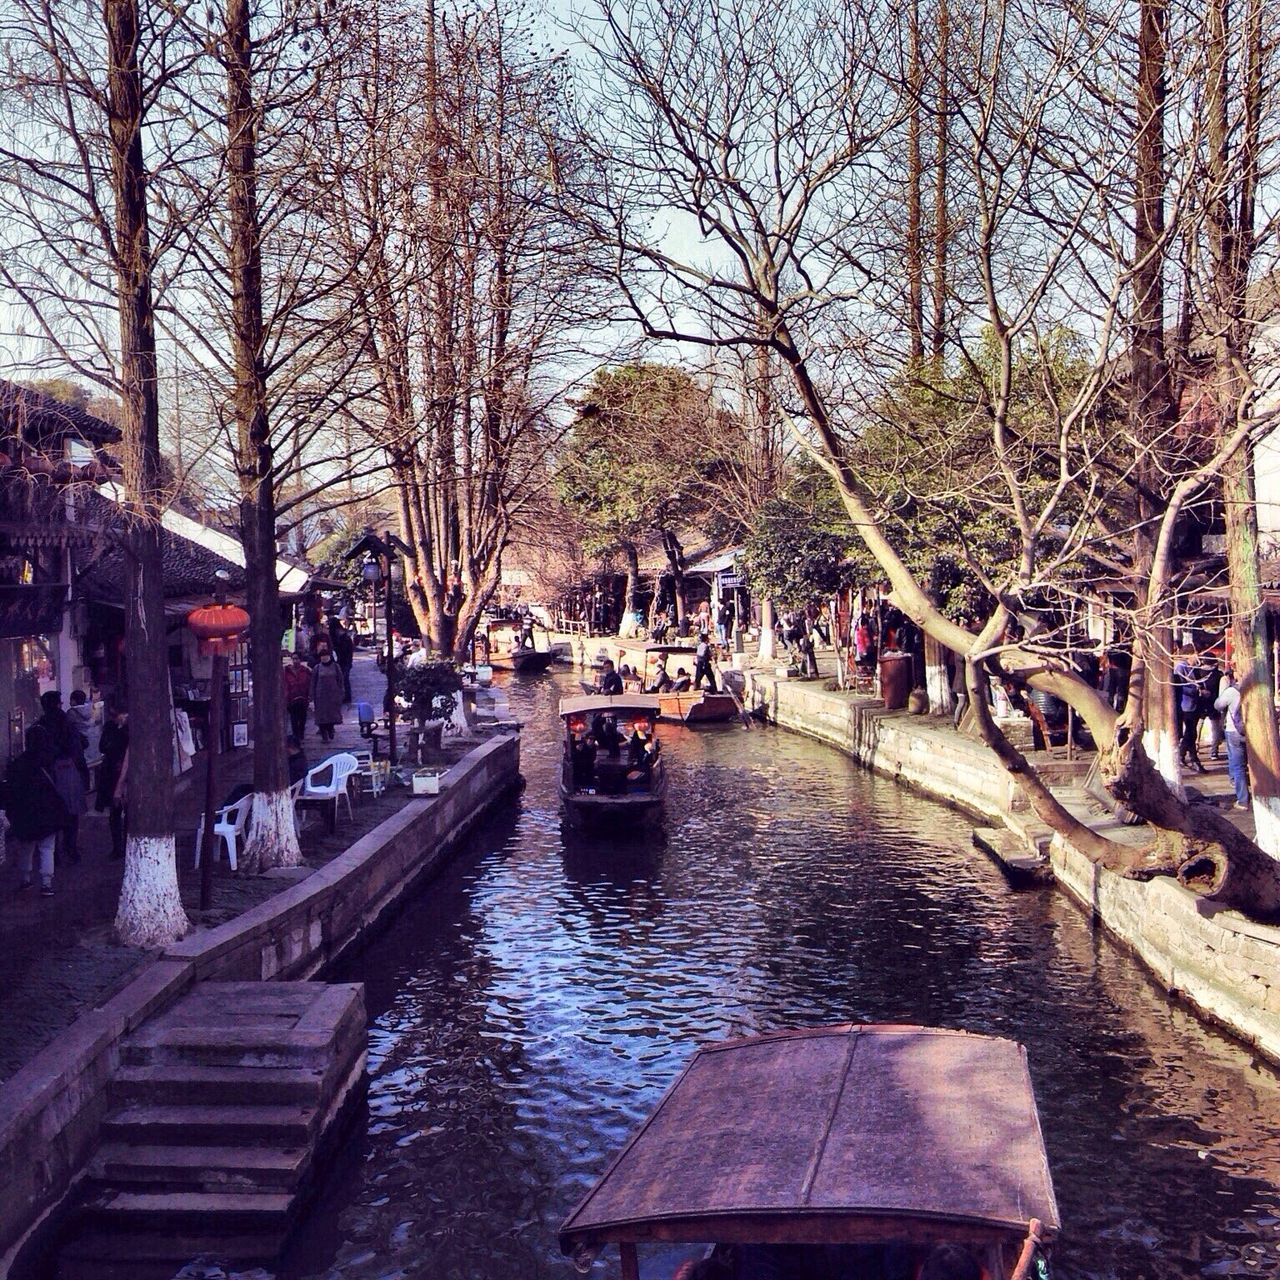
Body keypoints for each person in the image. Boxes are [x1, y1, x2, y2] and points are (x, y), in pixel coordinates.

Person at [2, 725, 69, 895]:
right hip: (48, 813)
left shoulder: (18, 763)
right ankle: (46, 884)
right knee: (47, 848)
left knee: (26, 847)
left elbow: (10, 791)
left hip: (25, 813)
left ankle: (26, 879)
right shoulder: (51, 761)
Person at [37, 690, 89, 864]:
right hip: (67, 770)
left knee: (52, 813)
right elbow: (77, 748)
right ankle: (71, 849)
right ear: (57, 704)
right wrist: (84, 773)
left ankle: (53, 854)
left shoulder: (41, 725)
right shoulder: (66, 722)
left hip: (47, 772)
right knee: (71, 813)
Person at [96, 700, 129, 861]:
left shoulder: (130, 729)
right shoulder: (110, 727)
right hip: (111, 772)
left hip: (127, 773)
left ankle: (127, 844)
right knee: (114, 813)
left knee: (128, 812)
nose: (116, 718)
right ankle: (117, 847)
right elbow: (102, 747)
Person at [1215, 669, 1250, 810]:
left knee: (1238, 766)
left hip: (1234, 731)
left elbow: (1218, 705)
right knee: (1252, 766)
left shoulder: (1232, 691)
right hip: (1253, 732)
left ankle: (1242, 800)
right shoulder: (1258, 686)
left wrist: (1223, 688)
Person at [1174, 648, 1207, 773]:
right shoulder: (1181, 668)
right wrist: (1198, 690)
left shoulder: (1194, 668)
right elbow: (1180, 687)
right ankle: (1188, 756)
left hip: (1194, 704)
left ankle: (1187, 756)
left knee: (1191, 732)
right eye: (1196, 654)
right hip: (1185, 704)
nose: (1198, 657)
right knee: (1190, 732)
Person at [311, 646, 345, 743]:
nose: (324, 658)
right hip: (320, 697)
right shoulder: (317, 668)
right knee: (321, 717)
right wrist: (311, 698)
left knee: (331, 716)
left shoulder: (335, 667)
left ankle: (330, 730)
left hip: (333, 696)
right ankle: (324, 735)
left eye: (326, 655)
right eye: (322, 656)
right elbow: (313, 683)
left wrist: (341, 692)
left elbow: (340, 680)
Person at [284, 650, 312, 741]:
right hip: (292, 699)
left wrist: (309, 697)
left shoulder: (306, 671)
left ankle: (301, 735)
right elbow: (285, 685)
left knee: (302, 719)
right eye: (293, 659)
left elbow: (309, 684)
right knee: (294, 720)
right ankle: (296, 737)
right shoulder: (287, 672)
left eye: (297, 659)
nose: (295, 661)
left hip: (303, 698)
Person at [329, 615, 355, 703]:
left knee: (344, 678)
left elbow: (345, 651)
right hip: (343, 661)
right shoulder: (341, 635)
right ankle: (344, 696)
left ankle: (346, 697)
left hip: (344, 661)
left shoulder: (342, 637)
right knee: (343, 678)